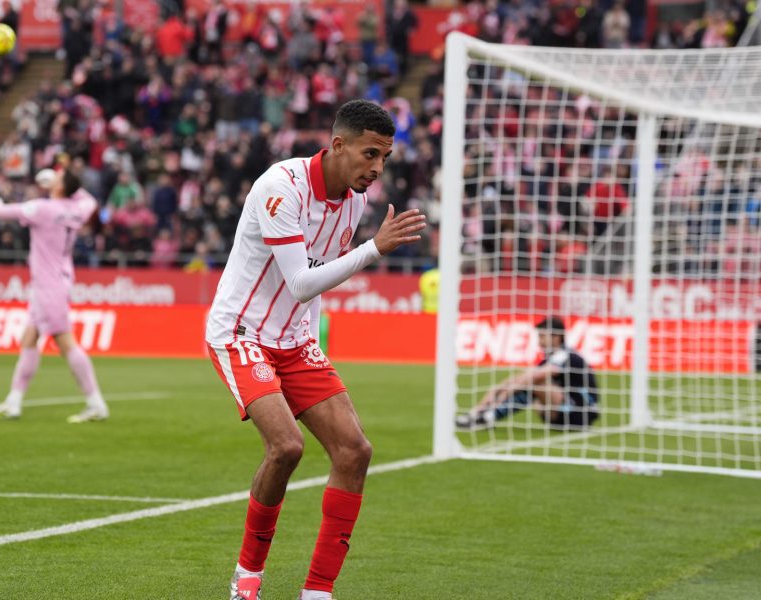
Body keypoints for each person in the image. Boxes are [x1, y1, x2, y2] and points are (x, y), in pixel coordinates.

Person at [206, 99, 426, 600]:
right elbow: (303, 281)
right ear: (338, 145)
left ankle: (318, 592)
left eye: (385, 158)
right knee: (286, 447)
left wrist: (311, 344)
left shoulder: (354, 199)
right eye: (371, 154)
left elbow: (316, 286)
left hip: (294, 339)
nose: (377, 168)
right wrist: (374, 249)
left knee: (355, 450)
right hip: (242, 333)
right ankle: (247, 576)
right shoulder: (279, 189)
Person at [0, 168, 109, 424]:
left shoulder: (42, 208)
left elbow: (0, 212)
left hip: (49, 285)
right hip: (54, 281)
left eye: (59, 178)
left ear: (60, 187)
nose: (54, 179)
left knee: (65, 342)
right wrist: (69, 187)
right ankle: (14, 402)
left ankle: (96, 404)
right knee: (29, 339)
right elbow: (90, 200)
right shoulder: (77, 208)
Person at [455, 316, 600, 430]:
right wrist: (500, 387)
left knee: (536, 383)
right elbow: (526, 375)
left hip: (581, 413)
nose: (539, 342)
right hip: (560, 413)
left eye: (543, 336)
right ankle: (478, 413)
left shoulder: (567, 355)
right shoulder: (550, 358)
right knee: (524, 381)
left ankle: (489, 416)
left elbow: (537, 376)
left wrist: (508, 391)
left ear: (556, 337)